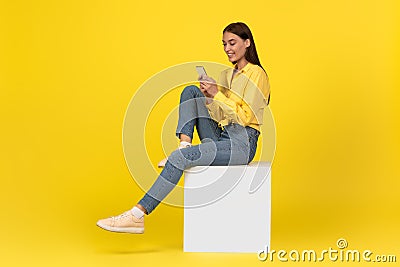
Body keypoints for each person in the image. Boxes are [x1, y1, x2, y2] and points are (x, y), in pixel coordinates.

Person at [96, 22, 271, 234]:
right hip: (224, 135)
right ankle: (184, 144)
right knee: (191, 92)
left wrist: (217, 94)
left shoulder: (257, 74)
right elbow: (221, 116)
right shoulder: (228, 75)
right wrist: (209, 98)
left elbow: (245, 117)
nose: (227, 49)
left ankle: (136, 216)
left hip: (242, 143)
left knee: (179, 160)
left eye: (232, 43)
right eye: (224, 44)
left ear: (247, 43)